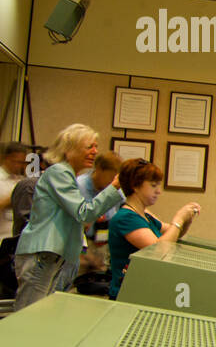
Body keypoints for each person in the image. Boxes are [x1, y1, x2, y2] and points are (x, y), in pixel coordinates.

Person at [13, 124, 124, 311]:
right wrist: (114, 187)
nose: (95, 152)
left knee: (39, 316)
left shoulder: (68, 175)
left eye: (96, 147)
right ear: (69, 148)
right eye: (89, 147)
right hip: (43, 256)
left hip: (54, 257)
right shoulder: (59, 173)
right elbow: (84, 212)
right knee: (29, 315)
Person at [106, 159, 201, 299]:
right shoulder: (126, 218)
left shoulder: (144, 215)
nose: (159, 191)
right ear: (135, 186)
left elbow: (174, 233)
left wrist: (187, 219)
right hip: (127, 293)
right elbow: (158, 250)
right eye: (153, 185)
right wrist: (179, 219)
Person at [74, 151, 122, 295]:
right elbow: (78, 222)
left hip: (102, 246)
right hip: (81, 246)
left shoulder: (115, 189)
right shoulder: (79, 186)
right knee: (77, 288)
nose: (113, 181)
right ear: (99, 169)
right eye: (111, 175)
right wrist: (83, 254)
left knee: (98, 291)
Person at [0, 142, 27, 295]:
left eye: (23, 162)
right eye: (17, 161)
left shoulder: (20, 180)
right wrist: (10, 200)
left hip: (15, 247)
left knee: (11, 293)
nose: (20, 165)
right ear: (6, 158)